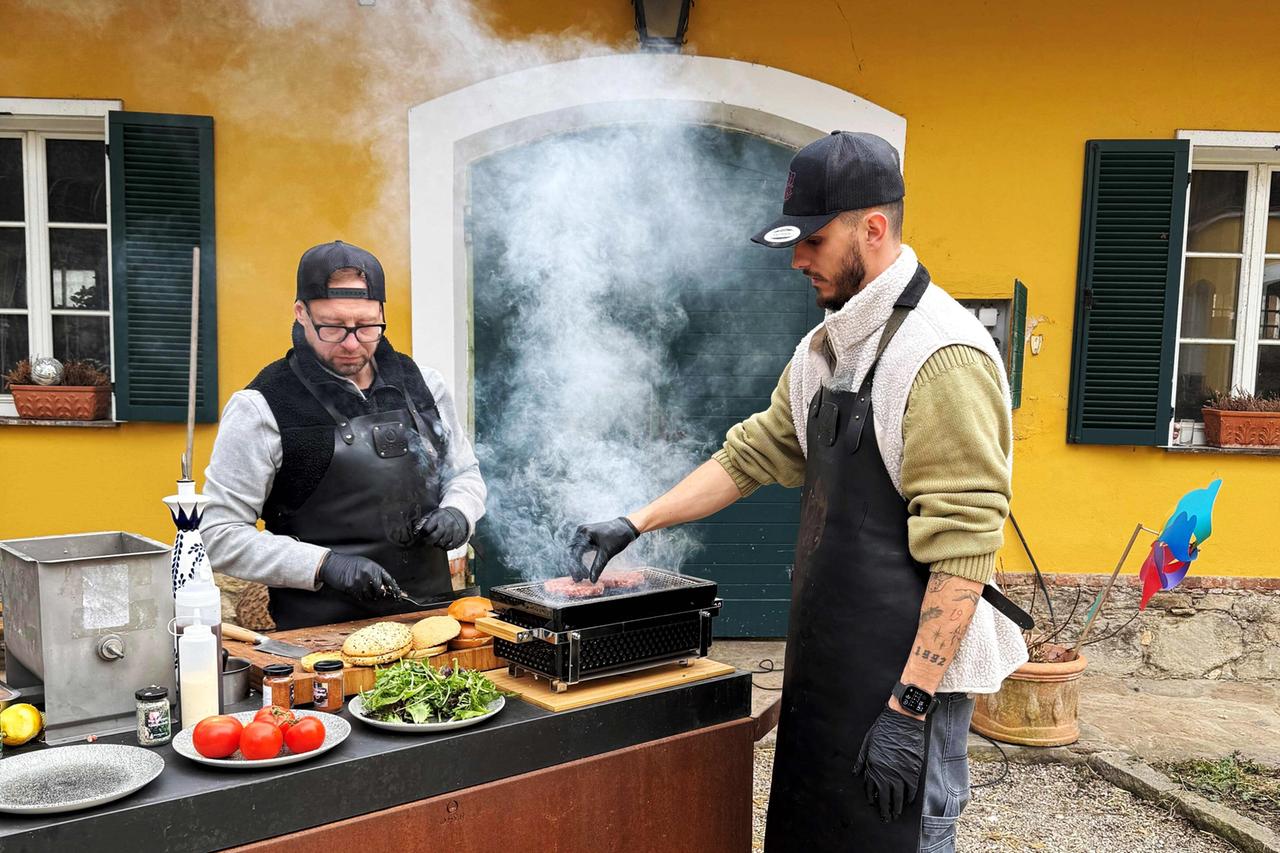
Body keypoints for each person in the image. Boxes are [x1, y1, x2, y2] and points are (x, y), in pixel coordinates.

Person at [569, 132, 1030, 852]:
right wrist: (635, 520)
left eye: (812, 240)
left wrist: (908, 708)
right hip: (831, 662)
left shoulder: (941, 354)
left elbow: (965, 549)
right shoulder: (824, 349)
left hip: (912, 684)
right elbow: (753, 453)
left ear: (872, 229)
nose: (796, 260)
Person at [203, 240, 486, 630]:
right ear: (301, 313)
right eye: (333, 326)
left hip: (432, 625)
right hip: (320, 639)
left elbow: (464, 473)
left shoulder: (424, 385)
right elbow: (219, 534)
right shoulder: (260, 407)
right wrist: (324, 564)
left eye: (367, 326)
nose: (353, 343)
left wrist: (460, 510)